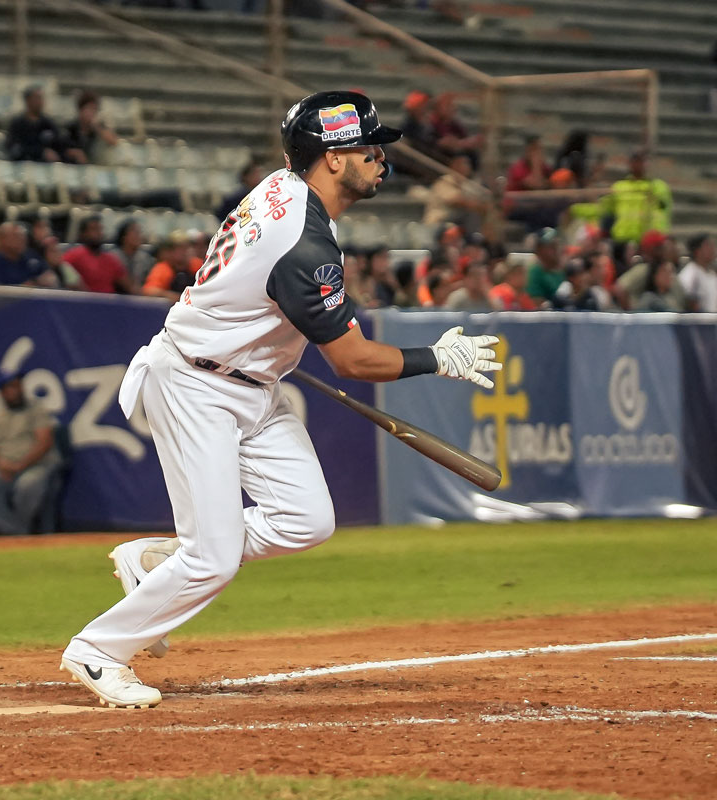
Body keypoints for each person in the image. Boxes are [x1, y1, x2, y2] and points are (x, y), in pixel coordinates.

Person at [59, 91, 501, 709]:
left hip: (248, 382)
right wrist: (437, 359)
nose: (380, 158)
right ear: (330, 159)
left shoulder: (287, 190)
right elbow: (353, 361)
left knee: (307, 518)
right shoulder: (304, 242)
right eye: (366, 148)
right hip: (195, 384)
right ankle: (99, 649)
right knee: (212, 559)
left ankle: (159, 564)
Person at [0, 370, 59, 536]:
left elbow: (44, 442)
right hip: (7, 469)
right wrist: (1, 464)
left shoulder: (36, 411)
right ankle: (15, 532)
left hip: (36, 465)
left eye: (17, 386)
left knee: (27, 485)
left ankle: (16, 533)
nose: (15, 391)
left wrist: (20, 465)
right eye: (10, 388)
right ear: (2, 392)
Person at [63, 215, 131, 294]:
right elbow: (60, 272)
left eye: (100, 229)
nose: (98, 233)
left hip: (109, 302)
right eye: (94, 229)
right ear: (83, 233)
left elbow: (129, 285)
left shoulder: (111, 259)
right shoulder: (74, 256)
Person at [5, 86, 63, 163]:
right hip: (22, 167)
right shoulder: (17, 124)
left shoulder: (48, 123)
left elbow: (59, 145)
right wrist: (40, 152)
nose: (41, 101)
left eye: (42, 98)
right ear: (28, 100)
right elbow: (14, 148)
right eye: (37, 98)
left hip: (45, 168)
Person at [0, 222, 50, 286]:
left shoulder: (31, 256)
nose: (22, 239)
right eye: (16, 236)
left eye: (23, 235)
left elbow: (48, 275)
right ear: (2, 239)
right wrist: (23, 288)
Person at [61, 90, 118, 164]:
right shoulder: (71, 128)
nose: (92, 113)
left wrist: (96, 127)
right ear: (81, 110)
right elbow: (64, 149)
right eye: (89, 108)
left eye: (95, 109)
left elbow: (113, 141)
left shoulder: (100, 127)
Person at [141, 230, 197, 301]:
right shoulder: (163, 269)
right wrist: (172, 296)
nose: (185, 251)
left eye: (187, 247)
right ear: (170, 251)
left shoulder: (196, 265)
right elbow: (149, 291)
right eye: (180, 248)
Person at [679, 233, 717, 312]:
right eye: (708, 245)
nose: (713, 249)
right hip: (698, 322)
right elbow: (689, 303)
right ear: (697, 251)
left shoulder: (712, 274)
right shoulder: (690, 274)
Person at [110, 219, 154, 288]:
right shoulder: (113, 257)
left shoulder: (145, 258)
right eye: (135, 232)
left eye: (140, 232)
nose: (139, 236)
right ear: (124, 236)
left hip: (140, 296)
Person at [524, 228, 565, 303]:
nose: (555, 249)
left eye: (556, 245)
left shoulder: (563, 271)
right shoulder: (535, 272)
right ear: (539, 249)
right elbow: (535, 301)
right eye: (551, 246)